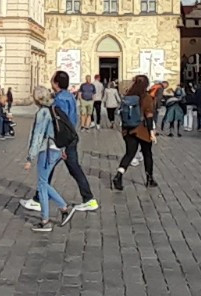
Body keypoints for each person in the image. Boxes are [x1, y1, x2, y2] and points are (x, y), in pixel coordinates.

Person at [24, 72, 97, 212]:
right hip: (70, 138)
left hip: (62, 140)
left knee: (50, 167)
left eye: (52, 79)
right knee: (71, 168)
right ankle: (88, 198)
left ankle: (40, 199)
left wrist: (59, 144)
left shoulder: (59, 100)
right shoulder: (69, 96)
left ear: (56, 83)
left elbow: (60, 123)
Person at [24, 86, 79, 233]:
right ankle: (62, 209)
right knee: (43, 183)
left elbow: (37, 136)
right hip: (58, 149)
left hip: (46, 150)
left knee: (42, 184)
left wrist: (30, 157)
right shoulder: (54, 109)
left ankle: (48, 219)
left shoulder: (42, 113)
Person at [113, 75, 158, 189]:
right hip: (142, 129)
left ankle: (119, 175)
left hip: (128, 129)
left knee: (129, 154)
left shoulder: (128, 96)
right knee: (147, 153)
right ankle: (149, 178)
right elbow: (149, 116)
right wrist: (151, 132)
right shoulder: (146, 97)